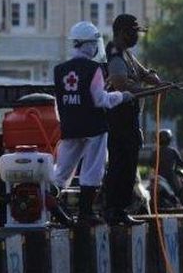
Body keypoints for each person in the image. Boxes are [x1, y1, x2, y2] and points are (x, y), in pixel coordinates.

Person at [53, 21, 133, 226]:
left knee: (61, 171)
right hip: (94, 126)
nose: (96, 47)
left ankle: (50, 204)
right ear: (88, 44)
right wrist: (122, 96)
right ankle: (85, 213)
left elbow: (59, 100)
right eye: (94, 43)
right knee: (92, 169)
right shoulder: (93, 68)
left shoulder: (60, 69)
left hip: (70, 126)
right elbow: (100, 100)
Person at [104, 14, 162, 225]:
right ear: (122, 33)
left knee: (128, 166)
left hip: (129, 118)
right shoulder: (115, 54)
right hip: (119, 119)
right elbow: (120, 84)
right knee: (121, 166)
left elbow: (142, 73)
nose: (136, 36)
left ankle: (119, 209)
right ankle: (114, 210)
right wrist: (149, 91)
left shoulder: (126, 54)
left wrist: (154, 79)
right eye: (133, 32)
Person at [154, 129, 183, 206]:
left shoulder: (155, 151)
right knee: (180, 187)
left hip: (157, 176)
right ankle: (181, 204)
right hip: (169, 176)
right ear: (169, 139)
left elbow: (150, 163)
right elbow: (181, 163)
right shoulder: (172, 151)